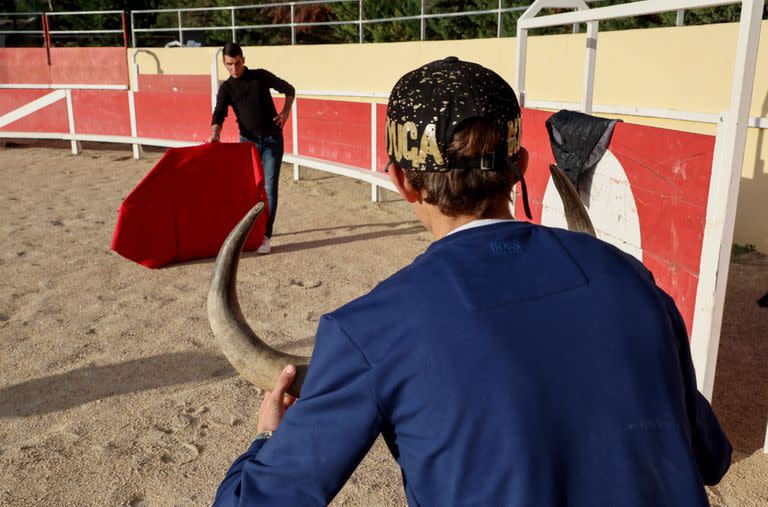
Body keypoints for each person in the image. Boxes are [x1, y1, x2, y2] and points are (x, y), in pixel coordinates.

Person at [213, 57, 731, 506]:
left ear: (401, 181)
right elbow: (710, 458)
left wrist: (265, 440)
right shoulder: (630, 280)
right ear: (519, 167)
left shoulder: (370, 331)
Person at [209, 42, 295, 254]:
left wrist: (285, 112)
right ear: (224, 63)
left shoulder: (260, 76)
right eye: (229, 65)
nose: (234, 69)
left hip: (273, 139)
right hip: (247, 144)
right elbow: (219, 113)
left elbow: (289, 89)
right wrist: (215, 134)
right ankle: (251, 231)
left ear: (243, 59)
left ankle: (266, 235)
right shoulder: (227, 88)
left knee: (269, 188)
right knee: (249, 191)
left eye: (237, 63)